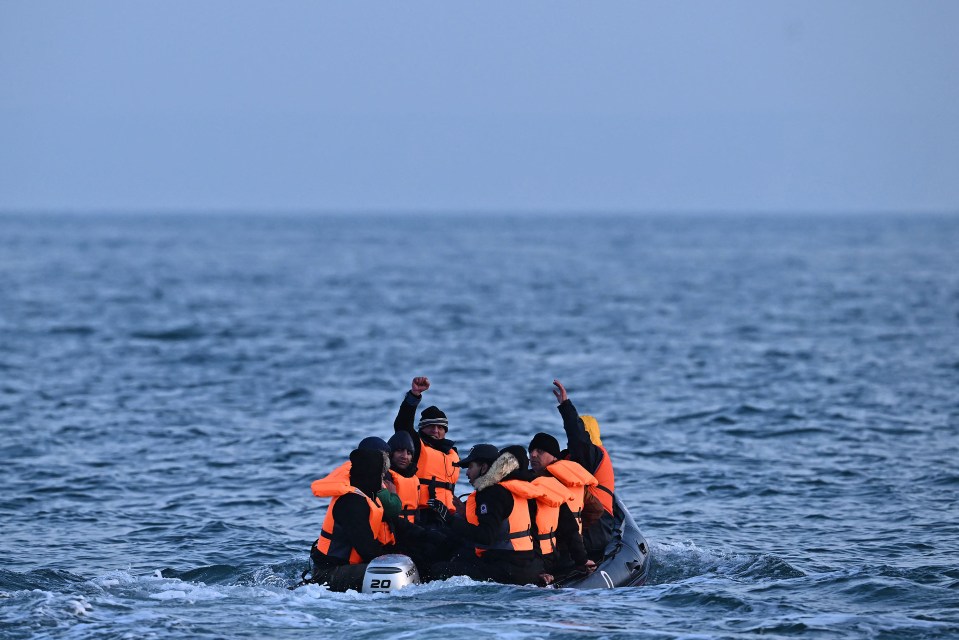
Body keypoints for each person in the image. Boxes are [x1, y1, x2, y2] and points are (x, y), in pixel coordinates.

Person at [429, 444, 547, 586]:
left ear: (484, 468)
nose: (466, 473)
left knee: (437, 570)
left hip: (505, 569)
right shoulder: (512, 488)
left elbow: (486, 537)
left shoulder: (491, 493)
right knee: (459, 553)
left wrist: (448, 519)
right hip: (524, 564)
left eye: (470, 467)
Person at [306, 448, 397, 592]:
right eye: (381, 474)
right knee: (391, 572)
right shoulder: (352, 502)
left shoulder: (367, 496)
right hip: (329, 572)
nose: (383, 480)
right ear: (372, 474)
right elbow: (366, 548)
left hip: (345, 566)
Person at [552, 379, 617, 561]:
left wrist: (565, 406)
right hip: (583, 525)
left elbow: (577, 439)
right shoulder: (574, 459)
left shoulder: (591, 455)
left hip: (595, 528)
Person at [528, 431, 597, 579]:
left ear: (554, 456)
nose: (533, 455)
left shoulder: (542, 483)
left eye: (539, 451)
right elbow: (596, 509)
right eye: (531, 451)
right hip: (573, 550)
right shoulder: (572, 478)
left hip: (553, 555)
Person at [394, 376, 460, 512]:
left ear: (445, 431)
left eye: (440, 427)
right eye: (430, 426)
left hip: (447, 514)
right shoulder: (415, 446)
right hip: (421, 513)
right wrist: (414, 395)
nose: (435, 430)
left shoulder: (453, 454)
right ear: (422, 428)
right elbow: (402, 424)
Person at [311, 436, 402, 520]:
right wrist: (393, 493)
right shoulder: (365, 479)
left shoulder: (353, 471)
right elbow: (392, 510)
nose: (387, 461)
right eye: (384, 456)